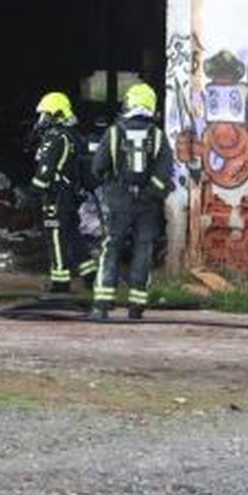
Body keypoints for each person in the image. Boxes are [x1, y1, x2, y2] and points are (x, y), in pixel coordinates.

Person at [89, 83, 174, 321]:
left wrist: (111, 185)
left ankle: (102, 305)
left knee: (111, 247)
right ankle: (136, 307)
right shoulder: (158, 136)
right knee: (143, 249)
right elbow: (165, 172)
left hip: (119, 200)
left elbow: (98, 167)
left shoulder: (114, 132)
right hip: (148, 206)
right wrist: (149, 193)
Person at [29, 91, 97, 293]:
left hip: (56, 197)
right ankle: (90, 274)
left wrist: (34, 193)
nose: (42, 120)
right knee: (73, 235)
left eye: (46, 115)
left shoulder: (55, 138)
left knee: (56, 237)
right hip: (69, 195)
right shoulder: (73, 136)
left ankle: (60, 282)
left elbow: (45, 172)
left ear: (57, 115)